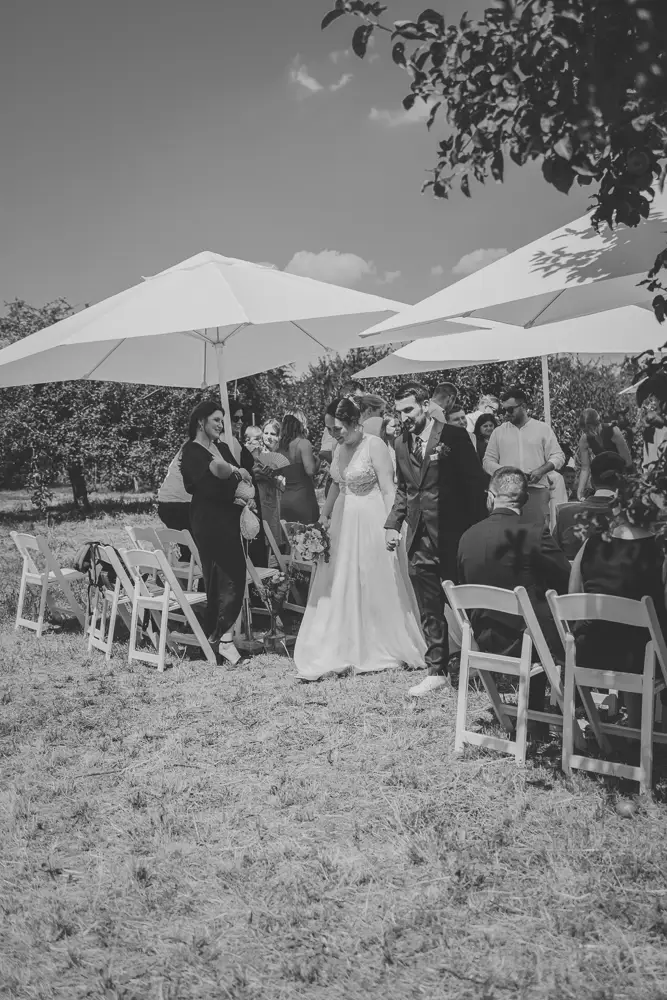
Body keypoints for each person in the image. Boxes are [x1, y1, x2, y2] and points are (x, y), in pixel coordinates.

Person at [294, 398, 426, 679]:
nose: (334, 434)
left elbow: (389, 488)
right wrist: (323, 518)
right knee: (342, 578)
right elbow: (337, 486)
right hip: (344, 520)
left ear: (355, 422)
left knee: (373, 577)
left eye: (338, 428)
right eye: (330, 429)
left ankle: (381, 640)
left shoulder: (373, 445)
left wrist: (395, 525)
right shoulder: (340, 448)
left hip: (371, 518)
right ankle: (346, 641)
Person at [384, 381, 488, 697]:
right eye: (399, 411)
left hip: (454, 534)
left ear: (426, 405)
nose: (403, 417)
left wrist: (477, 533)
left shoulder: (455, 437)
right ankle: (437, 670)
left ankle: (485, 663)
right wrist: (393, 523)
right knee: (428, 606)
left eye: (409, 410)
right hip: (418, 535)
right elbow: (404, 488)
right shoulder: (401, 444)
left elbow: (474, 485)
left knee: (467, 603)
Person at [457, 467, 571, 717]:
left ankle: (533, 717)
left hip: (484, 639)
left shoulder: (467, 537)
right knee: (544, 621)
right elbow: (566, 579)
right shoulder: (534, 532)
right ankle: (545, 715)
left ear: (490, 496)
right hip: (527, 644)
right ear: (526, 499)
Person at [569, 492, 667, 728]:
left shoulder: (590, 544)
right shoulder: (660, 551)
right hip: (642, 657)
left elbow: (572, 596)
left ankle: (634, 727)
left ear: (616, 511)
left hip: (589, 651)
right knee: (647, 634)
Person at [180, 401, 253, 665]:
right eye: (216, 420)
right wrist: (235, 473)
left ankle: (219, 637)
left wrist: (237, 477)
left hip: (231, 517)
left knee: (233, 576)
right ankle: (223, 640)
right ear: (201, 421)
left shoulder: (222, 447)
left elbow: (243, 476)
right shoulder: (191, 450)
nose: (221, 425)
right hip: (209, 520)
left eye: (222, 420)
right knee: (222, 578)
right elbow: (216, 477)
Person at [483, 386, 565, 528]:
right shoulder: (498, 432)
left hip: (536, 491)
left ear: (524, 406)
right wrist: (508, 472)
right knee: (509, 535)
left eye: (510, 410)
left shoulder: (542, 429)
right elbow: (487, 461)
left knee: (538, 535)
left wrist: (541, 470)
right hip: (507, 496)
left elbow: (558, 456)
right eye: (504, 410)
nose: (506, 414)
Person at [553, 451, 625, 559]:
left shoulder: (564, 514)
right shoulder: (631, 517)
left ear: (591, 481)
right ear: (622, 481)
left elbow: (554, 559)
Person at [249, 419, 289, 549]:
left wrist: (274, 476)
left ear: (279, 436)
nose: (268, 437)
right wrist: (256, 474)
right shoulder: (256, 452)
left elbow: (286, 483)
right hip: (260, 498)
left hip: (278, 500)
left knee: (278, 537)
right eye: (266, 433)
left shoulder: (283, 454)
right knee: (263, 536)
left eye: (273, 434)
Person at [576, 408, 632, 499]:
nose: (587, 433)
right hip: (601, 473)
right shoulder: (584, 439)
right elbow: (585, 468)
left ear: (596, 425)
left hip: (620, 470)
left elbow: (627, 462)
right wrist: (580, 491)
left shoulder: (614, 431)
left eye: (589, 430)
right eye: (584, 431)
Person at [278, 413, 320, 525]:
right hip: (303, 498)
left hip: (286, 498)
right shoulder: (303, 443)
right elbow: (310, 471)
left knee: (289, 537)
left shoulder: (280, 447)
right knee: (309, 537)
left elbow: (277, 471)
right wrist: (318, 462)